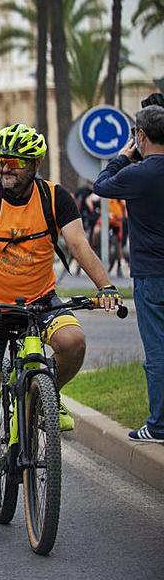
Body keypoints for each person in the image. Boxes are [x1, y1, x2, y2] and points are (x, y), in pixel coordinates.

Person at [0, 123, 120, 505]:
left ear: (34, 164)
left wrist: (105, 288)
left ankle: (47, 396)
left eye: (14, 162)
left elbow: (78, 244)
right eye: (1, 160)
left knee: (73, 342)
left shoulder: (55, 197)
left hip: (40, 300)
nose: (5, 168)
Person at [93, 101, 164, 442]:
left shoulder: (138, 174)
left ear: (140, 136)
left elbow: (101, 184)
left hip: (151, 275)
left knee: (158, 351)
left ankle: (160, 425)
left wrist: (124, 155)